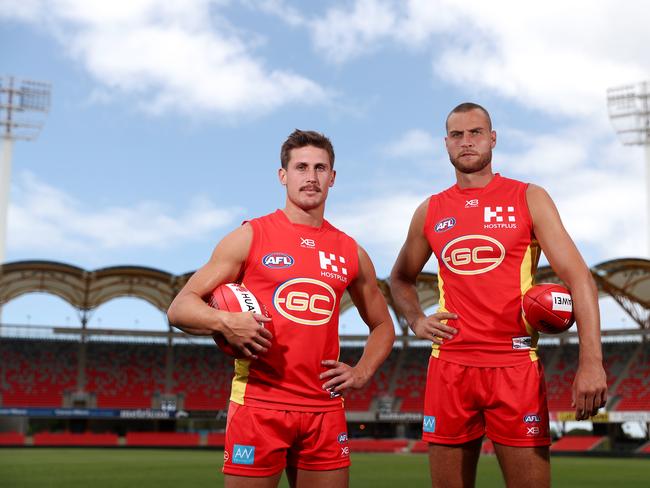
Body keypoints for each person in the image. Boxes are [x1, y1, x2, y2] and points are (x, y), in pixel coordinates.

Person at [389, 103, 607, 488]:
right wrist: (416, 319)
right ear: (446, 144)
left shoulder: (529, 197)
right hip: (450, 367)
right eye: (457, 135)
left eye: (475, 133)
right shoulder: (430, 210)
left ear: (493, 139)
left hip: (515, 366)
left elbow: (580, 279)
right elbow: (400, 278)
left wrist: (591, 362)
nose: (466, 142)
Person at [167, 129, 395, 488]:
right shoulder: (250, 236)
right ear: (283, 175)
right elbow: (180, 307)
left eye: (321, 168)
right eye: (301, 167)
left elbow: (383, 324)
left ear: (332, 178)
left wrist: (362, 372)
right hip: (259, 403)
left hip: (325, 408)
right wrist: (226, 321)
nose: (311, 176)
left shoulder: (351, 251)